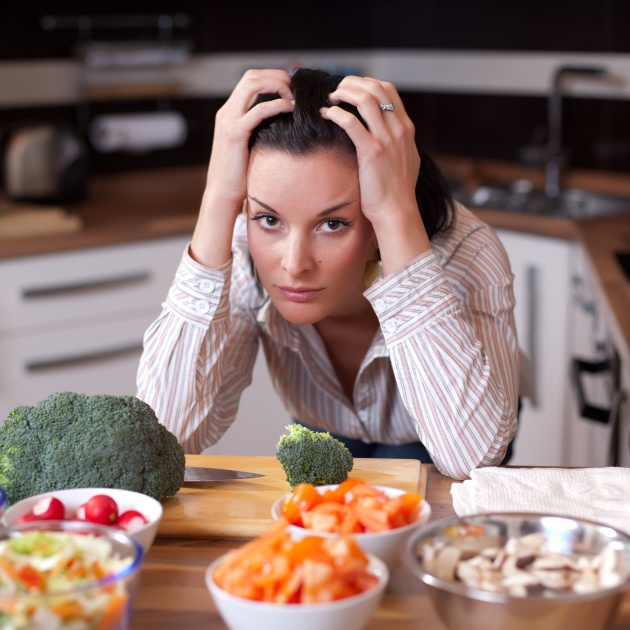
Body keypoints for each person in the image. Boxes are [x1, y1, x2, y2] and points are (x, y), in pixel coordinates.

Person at [136, 68, 519, 480]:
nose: (294, 263)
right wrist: (216, 198)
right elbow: (165, 437)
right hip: (324, 427)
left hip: (449, 433)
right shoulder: (243, 247)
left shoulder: (465, 253)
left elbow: (471, 459)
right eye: (268, 218)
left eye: (333, 224)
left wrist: (395, 214)